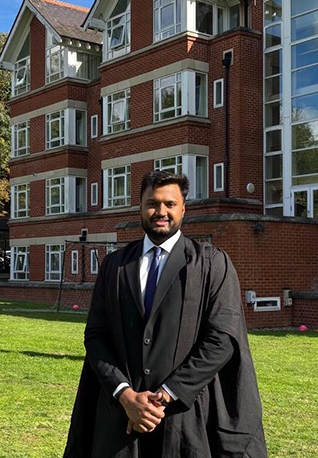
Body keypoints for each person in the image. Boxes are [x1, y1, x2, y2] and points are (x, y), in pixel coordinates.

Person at [64, 170, 267, 457]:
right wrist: (125, 393)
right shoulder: (115, 266)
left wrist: (166, 395)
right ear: (140, 208)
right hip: (121, 415)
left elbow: (222, 338)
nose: (161, 211)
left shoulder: (211, 264)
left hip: (185, 415)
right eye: (152, 203)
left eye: (170, 204)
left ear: (183, 209)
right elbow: (96, 336)